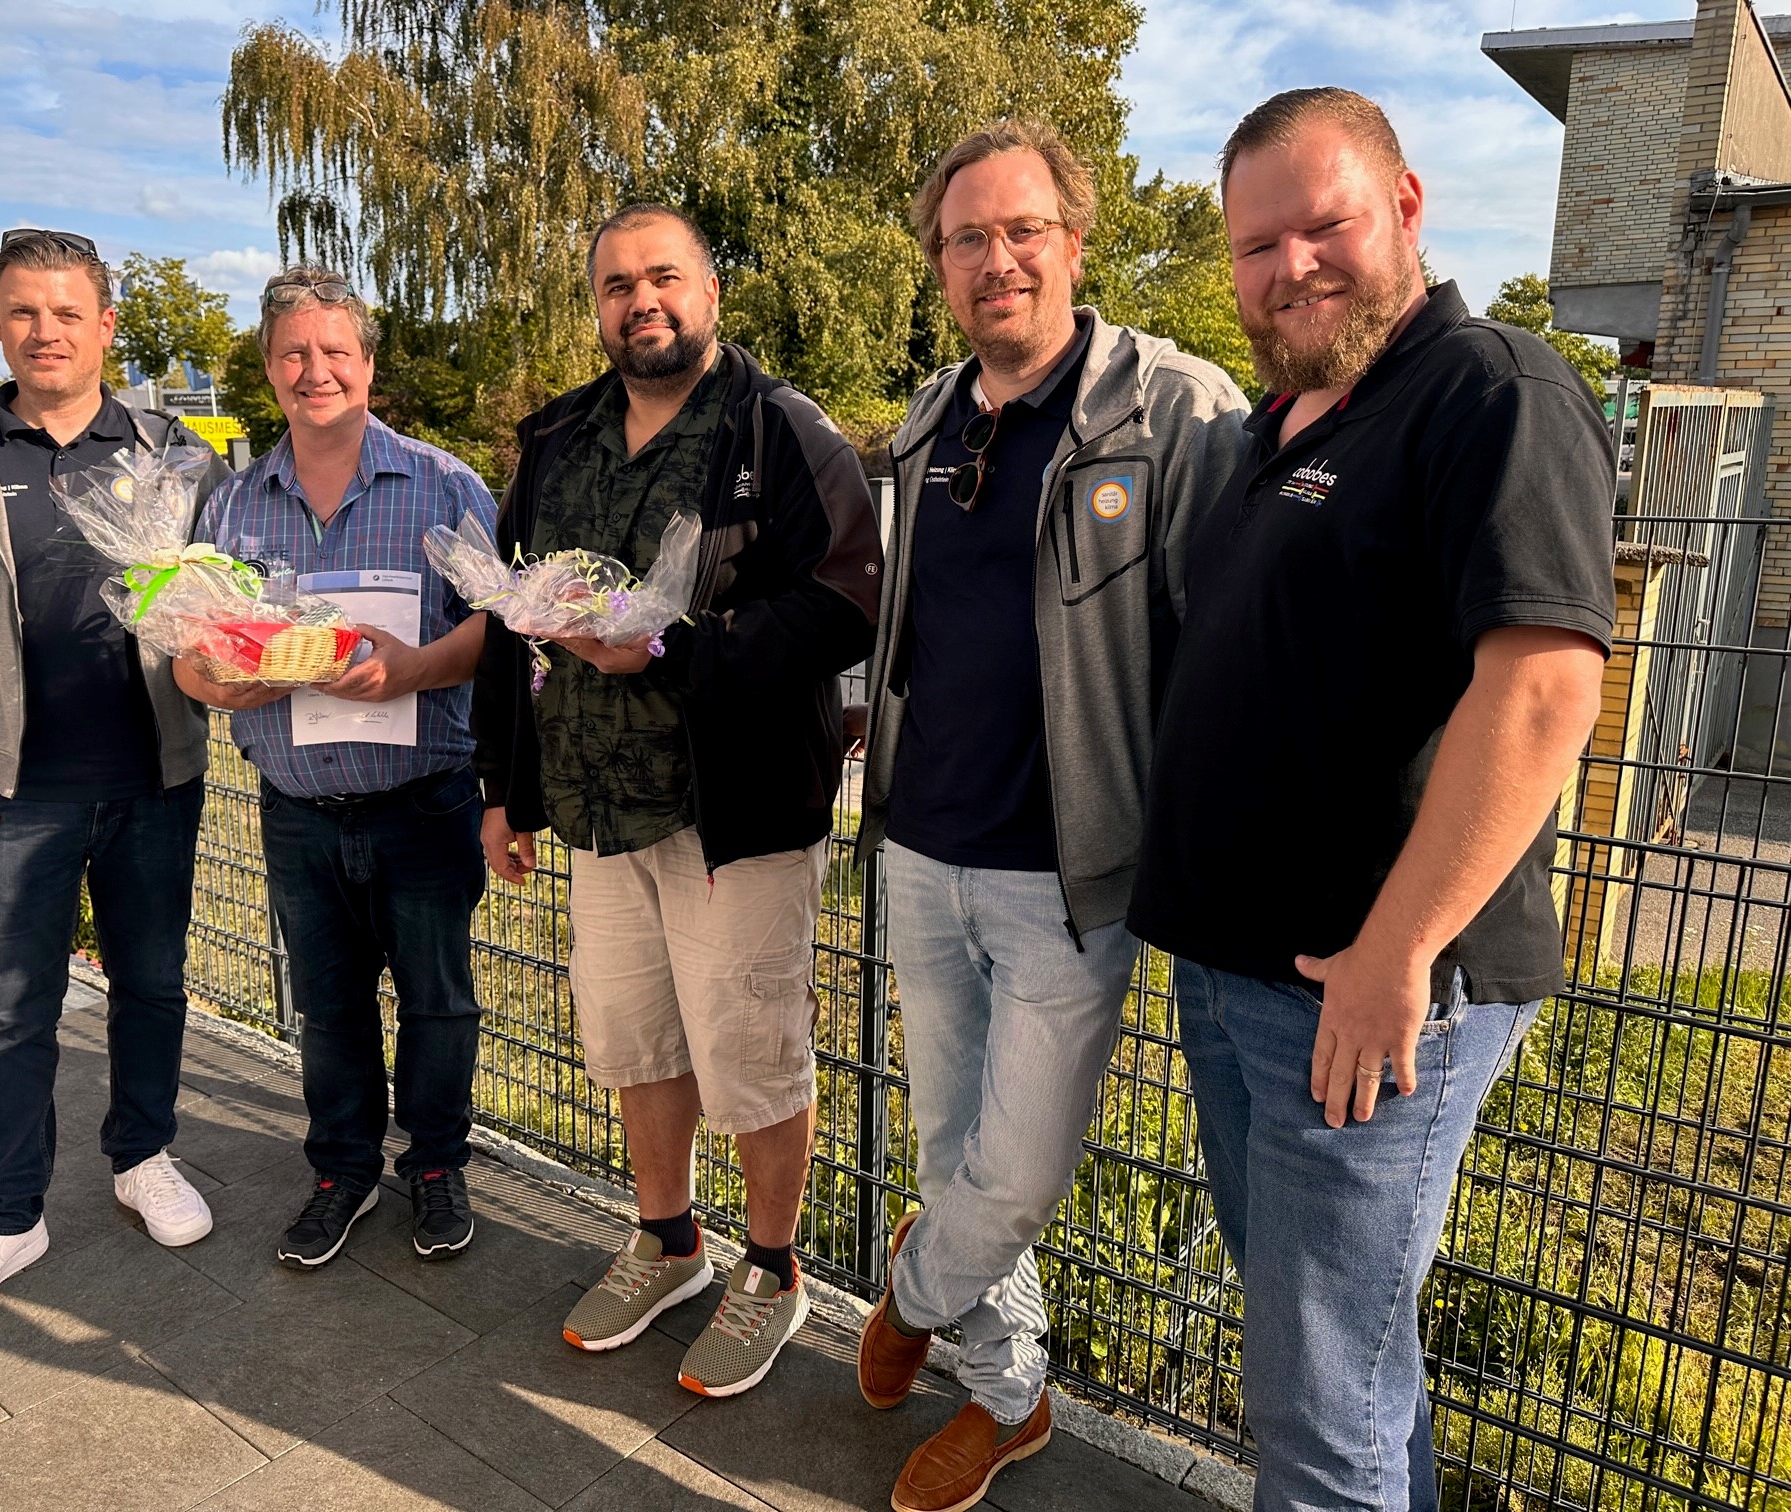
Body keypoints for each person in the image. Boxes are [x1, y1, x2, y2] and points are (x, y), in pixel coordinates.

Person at [1129, 89, 1614, 1511]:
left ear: (1404, 206)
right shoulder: (1280, 426)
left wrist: (1397, 952)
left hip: (1365, 993)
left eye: (1322, 226)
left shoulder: (1491, 392)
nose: (1290, 268)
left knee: (1317, 1411)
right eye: (1254, 244)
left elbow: (1542, 690)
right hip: (1245, 978)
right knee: (1342, 1363)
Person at [851, 121, 1250, 1512]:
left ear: (1075, 241)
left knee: (1014, 1171)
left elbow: (1228, 640)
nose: (997, 259)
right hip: (922, 849)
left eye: (1024, 230)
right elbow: (908, 629)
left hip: (1069, 875)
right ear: (940, 262)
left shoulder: (1176, 409)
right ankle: (1009, 1394)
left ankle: (914, 1291)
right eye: (967, 237)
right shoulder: (927, 420)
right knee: (951, 1142)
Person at [474, 204, 880, 1398]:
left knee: (751, 1050)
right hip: (597, 808)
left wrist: (676, 647)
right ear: (597, 307)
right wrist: (505, 789)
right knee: (636, 1038)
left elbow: (848, 605)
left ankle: (772, 1269)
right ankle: (667, 1242)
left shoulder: (778, 430)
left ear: (710, 292)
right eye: (615, 285)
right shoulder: (557, 439)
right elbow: (508, 622)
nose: (639, 301)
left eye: (662, 277)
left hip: (732, 815)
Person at [0, 229, 230, 1332]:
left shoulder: (174, 454)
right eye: (24, 311)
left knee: (153, 985)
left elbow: (223, 600)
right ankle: (4, 1217)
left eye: (68, 311)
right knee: (12, 1011)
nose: (47, 331)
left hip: (155, 779)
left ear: (105, 326)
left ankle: (143, 1156)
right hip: (10, 791)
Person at [174, 266, 495, 1271]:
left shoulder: (444, 485)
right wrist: (220, 683)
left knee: (439, 1002)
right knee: (330, 1007)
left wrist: (414, 668)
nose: (316, 371)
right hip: (299, 812)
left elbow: (496, 628)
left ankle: (436, 1165)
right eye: (294, 354)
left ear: (368, 362)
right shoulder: (232, 508)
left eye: (335, 351)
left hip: (425, 805)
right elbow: (190, 653)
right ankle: (342, 1171)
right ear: (269, 369)